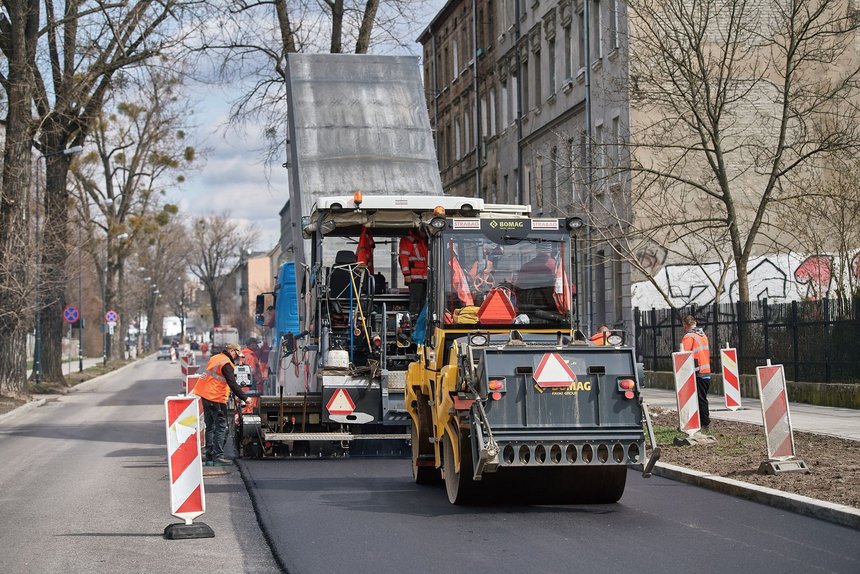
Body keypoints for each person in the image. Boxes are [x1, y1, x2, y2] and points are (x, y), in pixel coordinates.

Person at [191, 342, 250, 466]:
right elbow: (232, 384)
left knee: (210, 426)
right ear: (232, 351)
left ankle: (209, 458)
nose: (236, 358)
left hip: (206, 395)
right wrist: (245, 398)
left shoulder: (215, 358)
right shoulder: (226, 364)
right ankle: (218, 456)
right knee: (222, 426)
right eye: (236, 355)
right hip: (215, 397)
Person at [681, 314, 712, 431]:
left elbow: (682, 354)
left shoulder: (689, 337)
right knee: (702, 398)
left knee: (698, 400)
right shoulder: (702, 335)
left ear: (685, 325)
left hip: (696, 372)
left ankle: (704, 424)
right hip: (705, 371)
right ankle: (701, 423)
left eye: (683, 325)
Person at [515, 242, 555, 310]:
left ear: (537, 251)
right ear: (550, 251)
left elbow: (517, 289)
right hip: (548, 311)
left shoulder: (526, 266)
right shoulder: (553, 265)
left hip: (526, 309)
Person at [399, 228, 428, 320]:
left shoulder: (424, 240)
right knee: (415, 300)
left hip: (426, 277)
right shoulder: (408, 240)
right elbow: (403, 258)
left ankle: (422, 319)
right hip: (414, 277)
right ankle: (413, 320)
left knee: (425, 301)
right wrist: (406, 274)